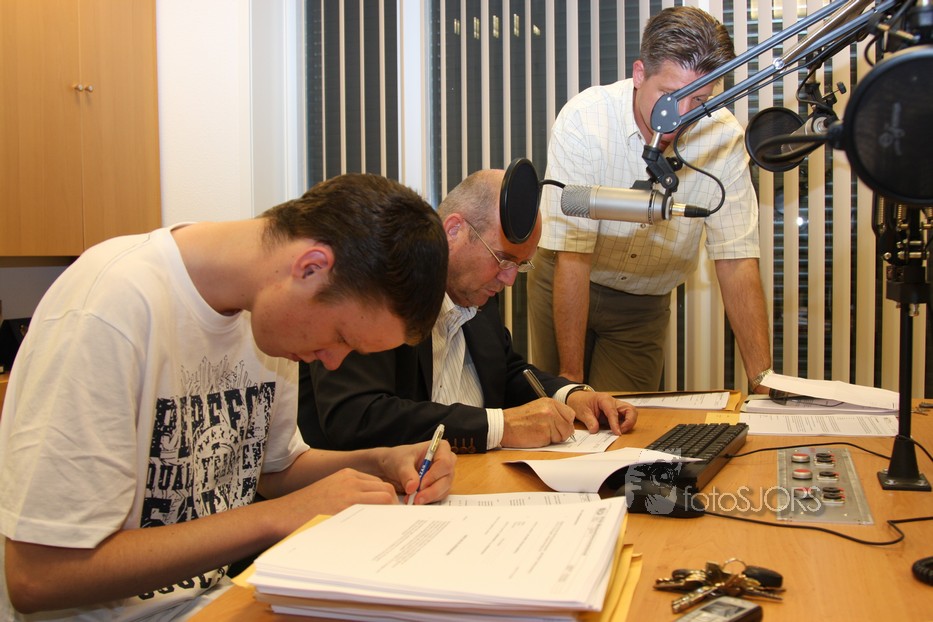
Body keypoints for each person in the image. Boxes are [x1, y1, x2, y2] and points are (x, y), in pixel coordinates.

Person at [0, 173, 457, 621]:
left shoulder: (270, 319)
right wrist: (280, 516)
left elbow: (274, 468)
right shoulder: (110, 310)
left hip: (217, 602)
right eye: (340, 337)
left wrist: (381, 461)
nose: (333, 362)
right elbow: (38, 576)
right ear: (311, 267)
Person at [299, 169, 637, 454]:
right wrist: (500, 427)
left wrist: (571, 396)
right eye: (503, 259)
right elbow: (355, 417)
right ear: (454, 231)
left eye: (519, 266)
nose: (508, 280)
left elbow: (506, 371)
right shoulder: (379, 285)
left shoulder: (476, 290)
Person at [528, 6, 773, 394]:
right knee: (562, 408)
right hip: (567, 277)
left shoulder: (724, 137)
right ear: (640, 74)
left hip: (642, 306)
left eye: (700, 99)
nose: (682, 115)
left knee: (626, 417)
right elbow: (573, 254)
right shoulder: (585, 121)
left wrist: (762, 384)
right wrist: (571, 384)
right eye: (670, 96)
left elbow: (736, 259)